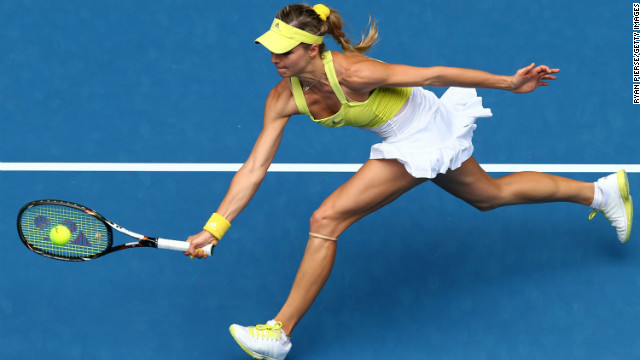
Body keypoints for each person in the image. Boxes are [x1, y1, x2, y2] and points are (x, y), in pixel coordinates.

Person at [186, 4, 633, 360]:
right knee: (489, 196)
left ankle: (278, 333)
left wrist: (510, 83)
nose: (274, 58)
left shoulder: (355, 72)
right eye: (272, 49)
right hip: (401, 134)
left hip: (421, 132)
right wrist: (216, 226)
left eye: (284, 50)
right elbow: (254, 167)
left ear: (312, 49)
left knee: (326, 219)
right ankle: (602, 192)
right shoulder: (283, 97)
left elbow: (434, 75)